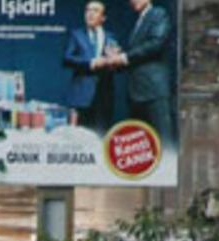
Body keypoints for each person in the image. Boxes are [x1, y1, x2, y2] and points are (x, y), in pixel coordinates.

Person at [106, 0, 174, 147]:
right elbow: (137, 58)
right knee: (140, 146)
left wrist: (123, 57)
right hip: (136, 93)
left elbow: (156, 44)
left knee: (163, 142)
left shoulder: (158, 14)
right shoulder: (139, 21)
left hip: (153, 91)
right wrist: (116, 61)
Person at [64, 1, 119, 134]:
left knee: (102, 137)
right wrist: (91, 63)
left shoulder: (111, 37)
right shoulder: (76, 34)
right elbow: (67, 59)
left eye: (95, 11)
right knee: (80, 139)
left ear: (103, 17)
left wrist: (114, 62)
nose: (90, 14)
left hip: (104, 96)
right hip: (82, 97)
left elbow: (118, 66)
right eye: (87, 10)